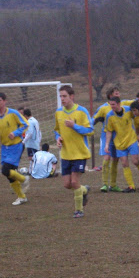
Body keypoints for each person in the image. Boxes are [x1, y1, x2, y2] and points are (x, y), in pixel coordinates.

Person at [0, 92, 31, 205]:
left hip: (16, 146)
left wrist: (16, 133)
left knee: (5, 170)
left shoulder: (13, 113)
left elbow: (26, 124)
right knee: (9, 175)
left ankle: (24, 179)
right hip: (5, 148)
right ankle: (22, 197)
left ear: (4, 101)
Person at [54, 85, 93, 218]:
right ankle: (84, 190)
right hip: (65, 154)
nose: (62, 99)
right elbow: (57, 130)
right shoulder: (59, 112)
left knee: (75, 182)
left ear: (72, 96)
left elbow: (90, 130)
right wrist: (58, 138)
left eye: (64, 96)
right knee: (67, 184)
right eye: (61, 96)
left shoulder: (82, 111)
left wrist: (74, 126)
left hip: (79, 153)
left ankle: (79, 210)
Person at [93, 87, 133, 193]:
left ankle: (113, 185)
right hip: (106, 136)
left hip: (118, 138)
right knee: (107, 158)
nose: (118, 94)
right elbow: (94, 119)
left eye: (119, 93)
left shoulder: (123, 104)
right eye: (116, 93)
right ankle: (104, 184)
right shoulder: (103, 108)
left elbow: (137, 102)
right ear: (110, 95)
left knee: (115, 160)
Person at [104, 96, 139, 192]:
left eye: (113, 104)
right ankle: (131, 186)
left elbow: (138, 115)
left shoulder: (128, 110)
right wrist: (107, 145)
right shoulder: (109, 116)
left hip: (131, 140)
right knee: (124, 163)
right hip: (119, 143)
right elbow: (109, 131)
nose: (112, 106)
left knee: (135, 161)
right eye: (110, 104)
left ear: (119, 104)